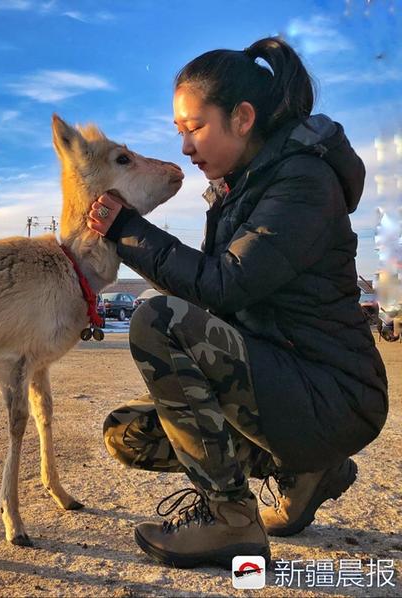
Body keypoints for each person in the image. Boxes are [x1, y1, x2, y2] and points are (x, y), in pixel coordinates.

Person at [86, 37, 388, 569]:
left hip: (334, 395)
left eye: (194, 127)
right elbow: (217, 303)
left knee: (156, 318)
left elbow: (223, 285)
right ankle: (304, 471)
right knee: (127, 434)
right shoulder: (237, 191)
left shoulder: (302, 181)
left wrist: (129, 230)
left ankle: (231, 519)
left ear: (243, 118)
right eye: (180, 132)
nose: (184, 147)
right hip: (283, 384)